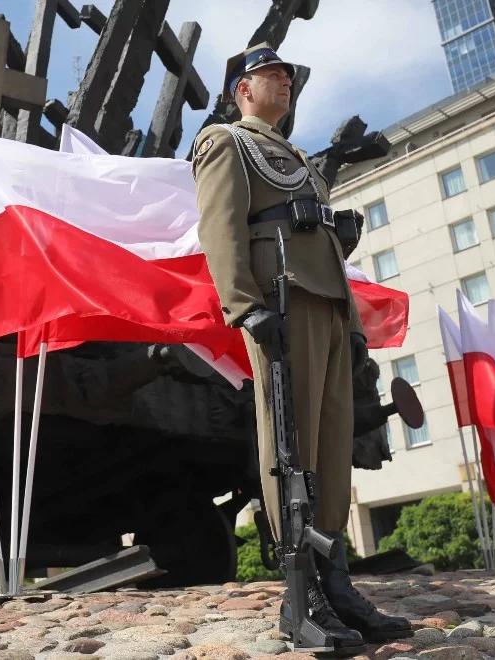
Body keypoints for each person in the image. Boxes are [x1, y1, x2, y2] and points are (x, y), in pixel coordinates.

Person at [191, 43, 413, 647]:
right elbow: (222, 226)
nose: (285, 82)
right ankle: (302, 595)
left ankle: (335, 582)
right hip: (284, 303)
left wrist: (341, 263)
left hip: (327, 303)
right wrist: (243, 304)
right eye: (272, 74)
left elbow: (299, 229)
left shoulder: (294, 157)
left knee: (332, 446)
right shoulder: (227, 142)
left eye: (289, 75)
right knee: (293, 448)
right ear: (242, 87)